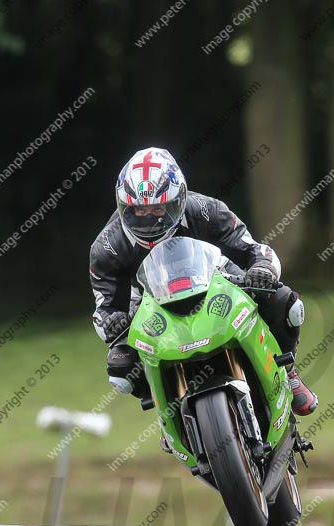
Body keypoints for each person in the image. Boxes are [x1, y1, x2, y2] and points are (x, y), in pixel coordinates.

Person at [89, 146, 318, 416]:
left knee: (284, 302)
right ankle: (169, 411)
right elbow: (104, 308)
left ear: (179, 199)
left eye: (159, 208)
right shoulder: (107, 246)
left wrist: (262, 269)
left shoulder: (204, 209)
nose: (150, 219)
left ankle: (289, 373)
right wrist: (114, 322)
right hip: (148, 303)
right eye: (139, 211)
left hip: (216, 277)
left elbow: (255, 249)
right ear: (123, 206)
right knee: (120, 367)